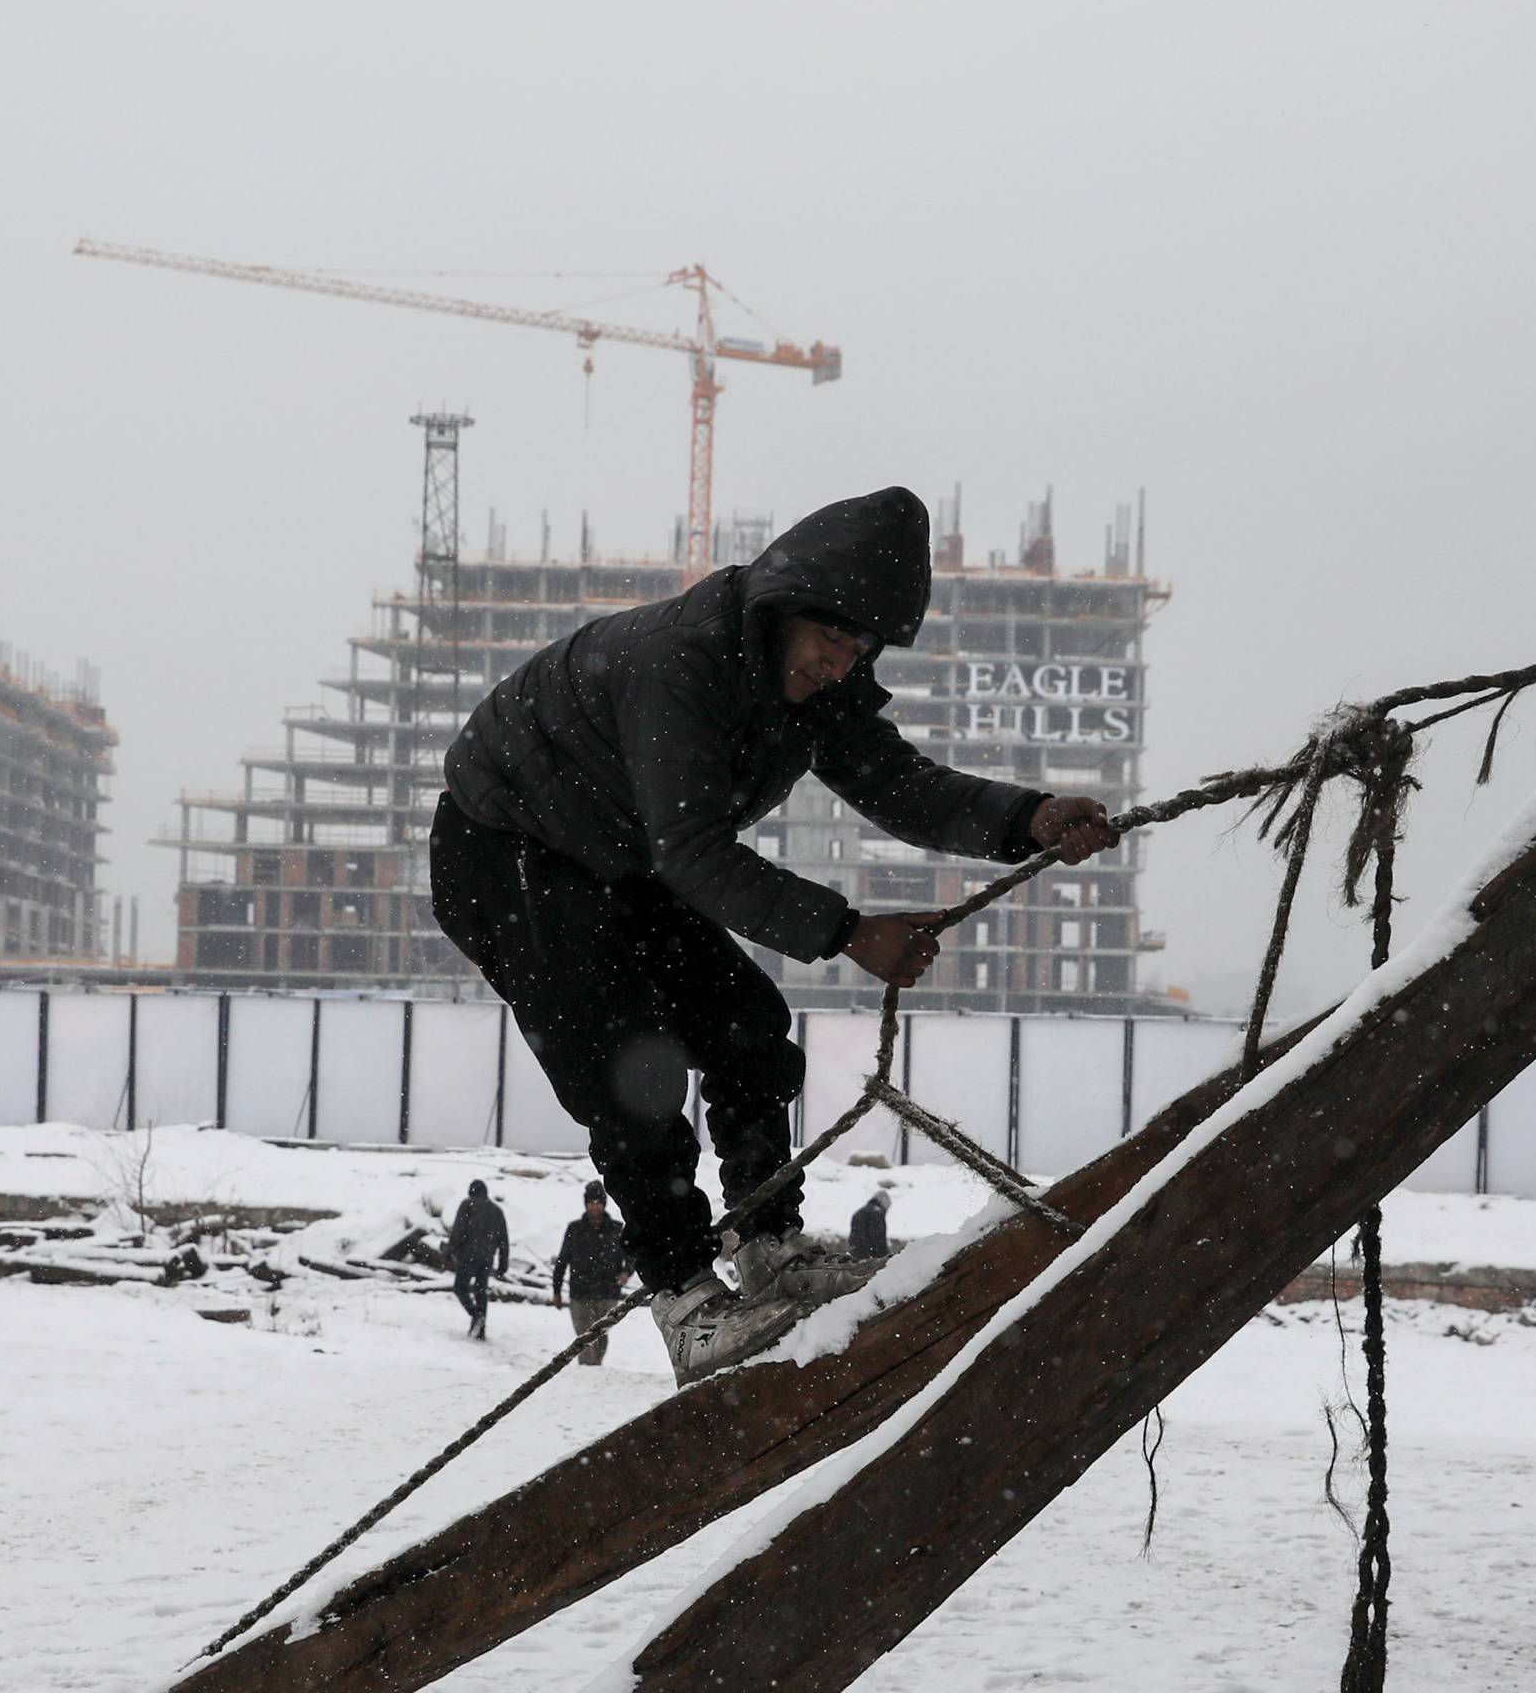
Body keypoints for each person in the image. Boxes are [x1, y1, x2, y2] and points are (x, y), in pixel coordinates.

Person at [431, 485, 1116, 1385]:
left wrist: (1026, 819)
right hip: (509, 849)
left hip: (618, 858)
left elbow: (900, 785)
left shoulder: (810, 692)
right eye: (831, 639)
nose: (840, 662)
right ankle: (684, 1301)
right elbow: (698, 855)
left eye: (859, 648)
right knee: (632, 1067)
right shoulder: (680, 663)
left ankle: (770, 1246)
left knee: (747, 1026)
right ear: (780, 608)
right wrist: (848, 932)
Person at [553, 1181, 629, 1366]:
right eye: (591, 1202)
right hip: (580, 1293)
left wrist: (627, 1272)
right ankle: (587, 1372)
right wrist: (556, 1290)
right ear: (586, 1204)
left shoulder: (617, 1229)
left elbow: (633, 1256)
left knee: (601, 1335)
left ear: (604, 1204)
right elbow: (562, 1260)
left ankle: (595, 1369)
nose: (595, 1206)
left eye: (598, 1202)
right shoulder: (575, 1229)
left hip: (608, 1293)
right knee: (584, 1337)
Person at [446, 1177, 509, 1339]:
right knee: (481, 1291)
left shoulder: (467, 1204)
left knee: (460, 1288)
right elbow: (504, 1240)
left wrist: (450, 1249)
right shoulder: (497, 1210)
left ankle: (476, 1315)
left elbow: (458, 1230)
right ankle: (480, 1330)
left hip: (468, 1255)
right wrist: (503, 1263)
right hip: (487, 1257)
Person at [849, 1188, 891, 1260]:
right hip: (870, 1257)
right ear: (884, 1203)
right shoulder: (876, 1213)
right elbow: (878, 1239)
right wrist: (885, 1257)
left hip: (855, 1254)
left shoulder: (859, 1212)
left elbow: (854, 1236)